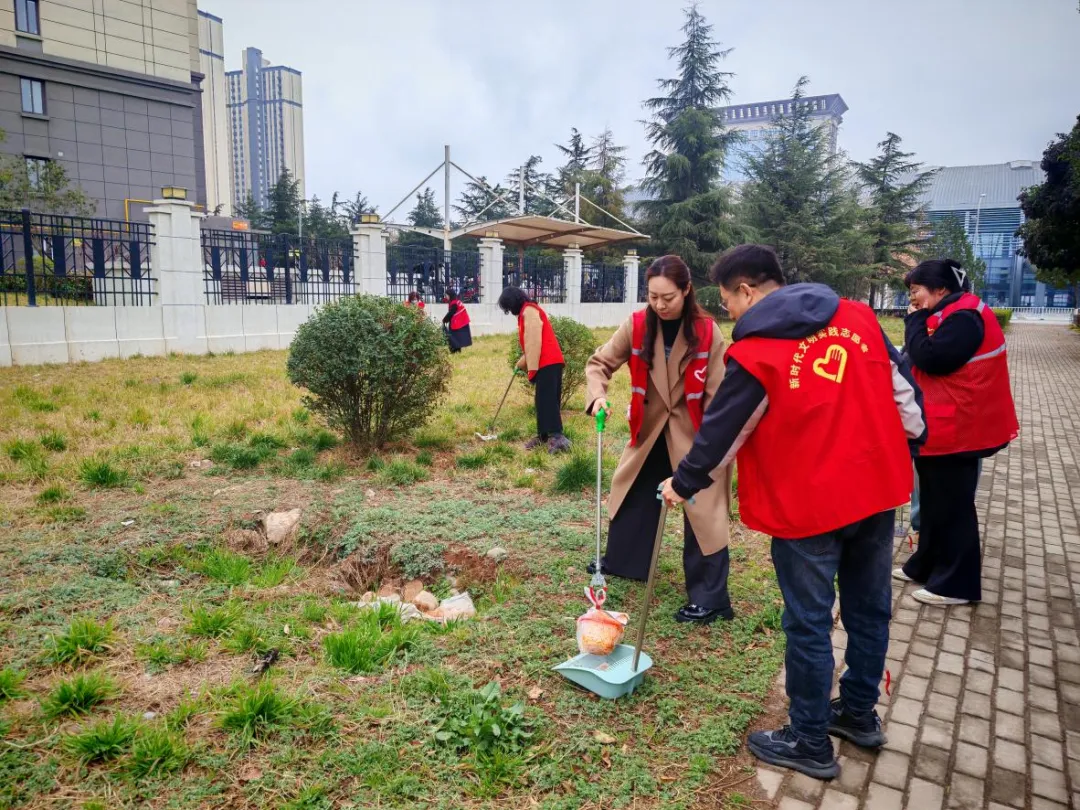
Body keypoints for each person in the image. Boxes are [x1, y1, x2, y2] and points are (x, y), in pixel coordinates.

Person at [660, 244, 926, 780]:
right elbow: (906, 400)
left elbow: (726, 429)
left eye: (728, 301)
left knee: (808, 622)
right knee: (869, 610)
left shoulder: (757, 350)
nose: (730, 312)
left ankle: (808, 739)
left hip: (808, 505)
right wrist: (912, 442)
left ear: (747, 290)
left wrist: (683, 482)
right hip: (875, 490)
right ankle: (858, 713)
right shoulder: (858, 317)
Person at [584, 255, 734, 625]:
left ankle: (710, 598)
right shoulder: (636, 325)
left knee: (704, 510)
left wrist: (713, 447)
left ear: (686, 290)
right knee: (632, 490)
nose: (660, 305)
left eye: (668, 297)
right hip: (650, 429)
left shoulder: (707, 332)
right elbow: (599, 363)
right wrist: (598, 396)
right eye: (653, 297)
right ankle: (625, 562)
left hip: (694, 433)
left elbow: (719, 395)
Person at [894, 258, 1018, 606]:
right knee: (934, 503)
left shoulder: (964, 317)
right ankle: (926, 564)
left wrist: (914, 321)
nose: (912, 298)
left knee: (954, 506)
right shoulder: (950, 312)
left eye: (916, 290)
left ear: (940, 289)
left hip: (960, 429)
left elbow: (931, 358)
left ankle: (956, 584)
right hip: (941, 425)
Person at [498, 286, 571, 453]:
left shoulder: (529, 311)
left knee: (548, 400)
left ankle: (557, 437)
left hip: (548, 361)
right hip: (546, 360)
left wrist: (532, 370)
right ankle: (543, 436)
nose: (511, 312)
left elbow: (534, 343)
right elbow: (532, 345)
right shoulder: (527, 311)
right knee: (542, 400)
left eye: (509, 307)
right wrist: (520, 364)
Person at [442, 288, 472, 354]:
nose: (446, 297)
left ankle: (454, 351)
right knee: (457, 338)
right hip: (461, 322)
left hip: (458, 323)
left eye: (446, 295)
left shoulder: (454, 303)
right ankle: (457, 351)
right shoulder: (457, 301)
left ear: (450, 295)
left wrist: (444, 320)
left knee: (453, 338)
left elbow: (451, 313)